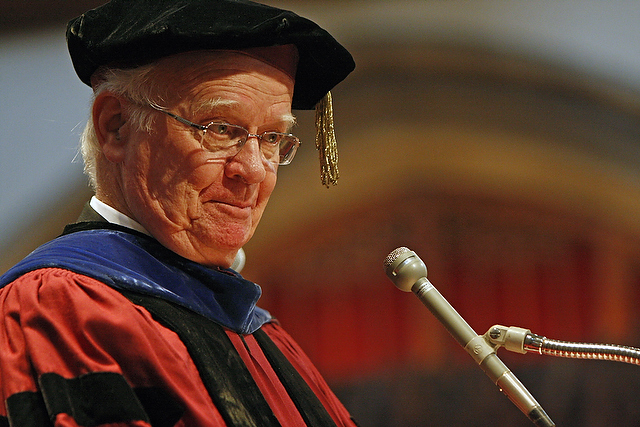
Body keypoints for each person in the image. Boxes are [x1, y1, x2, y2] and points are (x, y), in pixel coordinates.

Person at [0, 0, 356, 425]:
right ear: (116, 125)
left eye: (273, 138)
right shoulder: (60, 310)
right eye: (221, 129)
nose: (255, 170)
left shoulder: (266, 339)